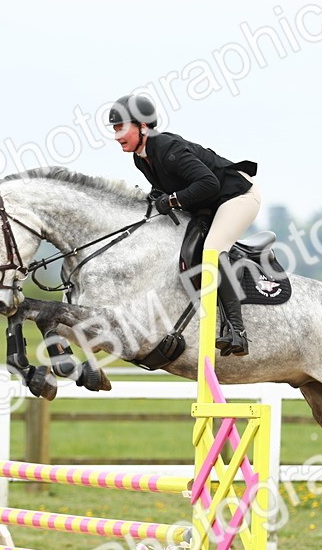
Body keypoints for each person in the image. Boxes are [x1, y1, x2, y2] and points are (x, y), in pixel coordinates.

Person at [108, 93, 260, 357]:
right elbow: (166, 187)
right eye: (114, 129)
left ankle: (237, 330)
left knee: (212, 249)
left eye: (121, 128)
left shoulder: (167, 148)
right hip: (209, 204)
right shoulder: (140, 157)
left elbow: (209, 183)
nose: (116, 136)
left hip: (239, 197)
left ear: (142, 126)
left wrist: (174, 200)